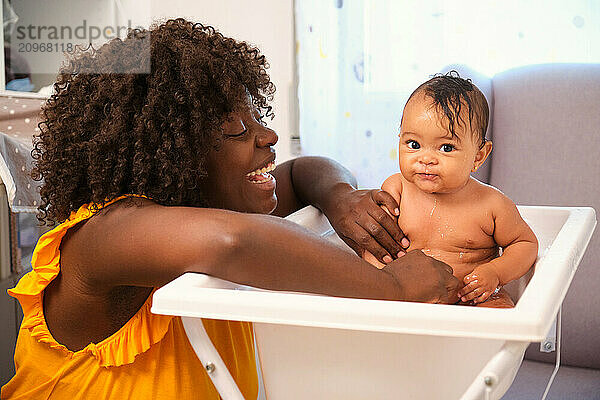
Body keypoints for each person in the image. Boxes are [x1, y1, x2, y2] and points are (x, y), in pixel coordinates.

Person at [1, 19, 461, 399]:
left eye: (256, 118)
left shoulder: (212, 201)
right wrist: (392, 286)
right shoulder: (103, 238)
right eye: (237, 128)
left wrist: (340, 198)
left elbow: (308, 169)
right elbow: (230, 243)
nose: (269, 138)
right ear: (175, 152)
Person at [364, 72, 538, 308]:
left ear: (479, 156)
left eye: (446, 147)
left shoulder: (492, 205)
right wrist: (383, 283)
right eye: (413, 144)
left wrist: (494, 272)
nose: (426, 159)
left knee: (499, 312)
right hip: (408, 302)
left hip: (473, 300)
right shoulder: (396, 190)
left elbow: (525, 245)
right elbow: (376, 244)